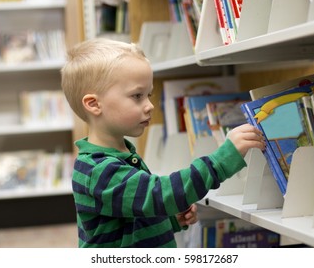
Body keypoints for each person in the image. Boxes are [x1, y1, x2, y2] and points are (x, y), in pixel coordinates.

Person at [61, 38, 265, 248]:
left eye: (148, 95)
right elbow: (159, 194)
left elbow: (132, 214)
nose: (149, 105)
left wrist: (167, 222)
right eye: (137, 96)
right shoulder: (98, 170)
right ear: (94, 104)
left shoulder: (118, 155)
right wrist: (222, 161)